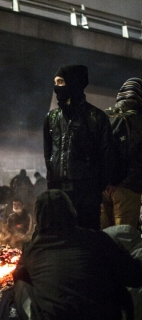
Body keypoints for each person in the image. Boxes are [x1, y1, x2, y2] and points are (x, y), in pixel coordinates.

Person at [13, 189, 142, 320]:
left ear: (38, 218)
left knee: (21, 283)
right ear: (72, 212)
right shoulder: (98, 240)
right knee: (115, 280)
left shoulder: (31, 250)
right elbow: (135, 276)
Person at [44, 64, 114, 230]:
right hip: (58, 192)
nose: (56, 87)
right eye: (55, 82)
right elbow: (48, 153)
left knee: (87, 238)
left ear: (74, 83)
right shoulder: (51, 118)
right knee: (61, 236)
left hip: (87, 193)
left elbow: (106, 156)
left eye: (61, 82)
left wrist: (95, 189)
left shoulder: (97, 117)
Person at [100, 77, 142, 229]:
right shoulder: (138, 120)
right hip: (128, 188)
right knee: (123, 239)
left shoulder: (103, 116)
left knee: (103, 238)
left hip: (102, 188)